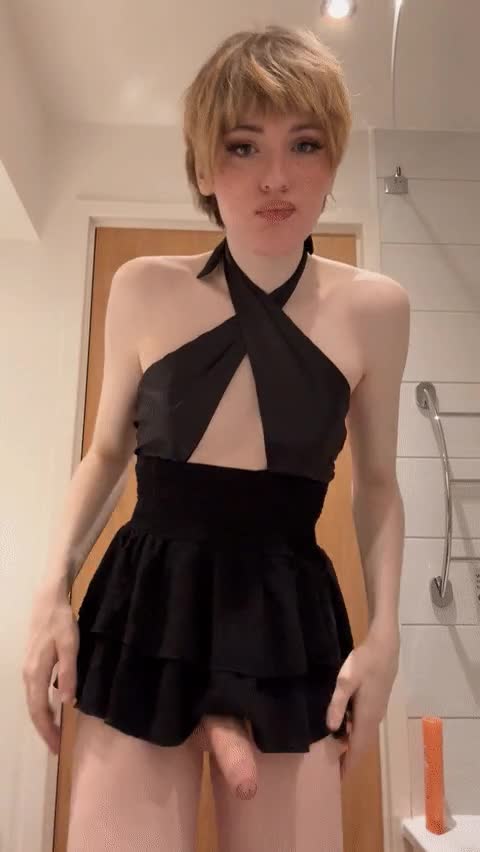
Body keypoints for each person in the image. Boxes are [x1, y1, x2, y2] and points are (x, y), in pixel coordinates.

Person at [22, 24, 409, 852]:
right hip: (148, 604)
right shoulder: (142, 288)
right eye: (242, 147)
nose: (276, 177)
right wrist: (50, 591)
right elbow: (106, 454)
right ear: (203, 167)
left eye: (304, 144)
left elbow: (378, 482)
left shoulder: (376, 310)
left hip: (285, 614)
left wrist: (386, 635)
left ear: (333, 159)